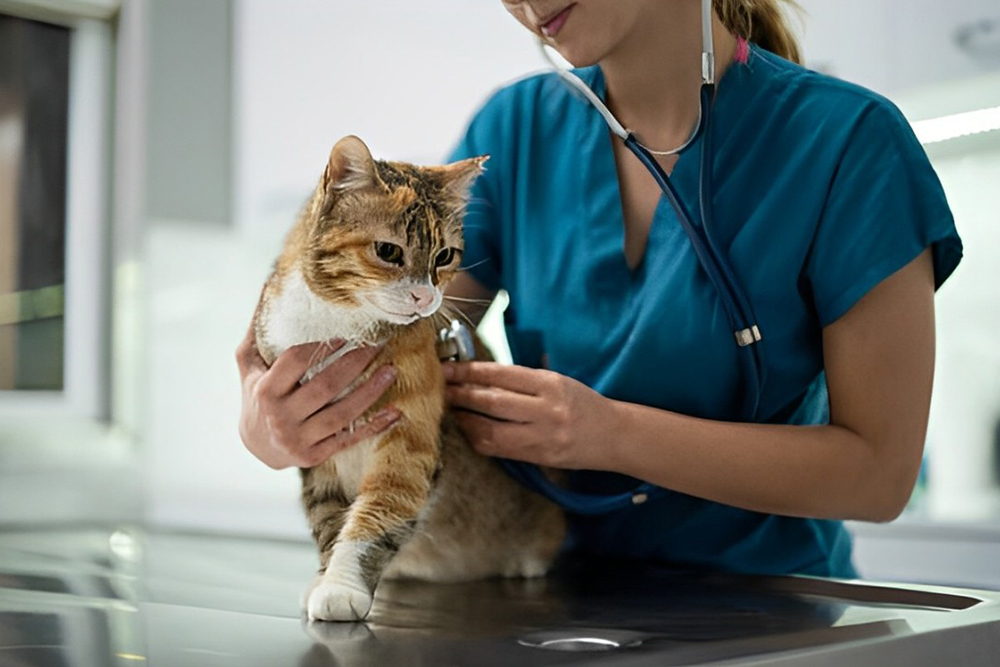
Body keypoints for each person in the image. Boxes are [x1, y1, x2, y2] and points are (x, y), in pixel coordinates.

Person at [236, 0, 963, 579]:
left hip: (772, 607)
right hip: (550, 591)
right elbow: (383, 340)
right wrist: (269, 420)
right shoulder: (516, 130)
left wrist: (609, 435)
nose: (520, 3)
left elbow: (879, 475)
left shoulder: (852, 144)